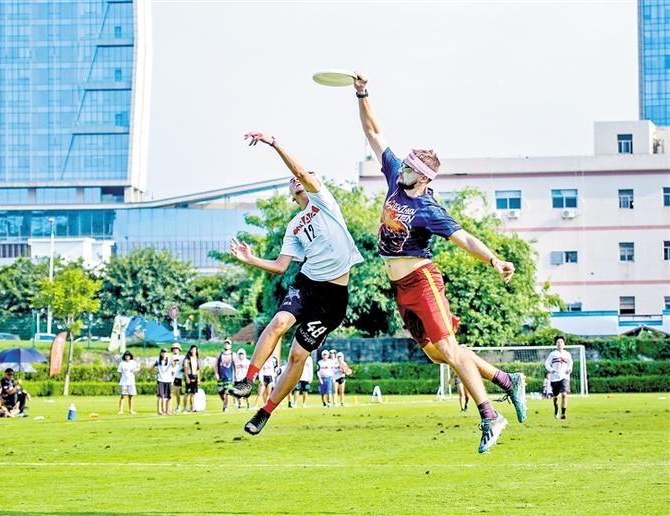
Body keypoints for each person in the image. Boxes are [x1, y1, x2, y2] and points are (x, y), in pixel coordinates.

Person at [351, 73, 526, 453]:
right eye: (404, 165)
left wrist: (494, 259)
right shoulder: (396, 179)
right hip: (400, 287)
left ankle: (490, 415)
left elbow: (465, 238)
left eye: (410, 169)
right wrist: (362, 93)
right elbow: (374, 132)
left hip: (422, 280)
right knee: (436, 354)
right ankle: (506, 380)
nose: (402, 170)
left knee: (450, 349)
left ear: (424, 178)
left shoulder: (429, 209)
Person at [228, 132, 363, 435]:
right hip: (307, 284)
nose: (297, 178)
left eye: (301, 176)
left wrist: (273, 142)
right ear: (291, 195)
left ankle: (265, 412)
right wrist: (251, 259)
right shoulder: (294, 226)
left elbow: (300, 171)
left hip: (333, 300)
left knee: (297, 356)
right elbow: (280, 266)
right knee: (278, 322)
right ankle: (248, 380)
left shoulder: (324, 202)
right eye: (292, 181)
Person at [545, 336, 573, 419]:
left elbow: (570, 363)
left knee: (564, 394)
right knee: (556, 396)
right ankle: (556, 408)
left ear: (564, 344)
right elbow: (546, 363)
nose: (559, 343)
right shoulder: (553, 354)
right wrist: (551, 370)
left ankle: (563, 414)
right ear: (556, 344)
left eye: (561, 342)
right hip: (554, 378)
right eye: (558, 342)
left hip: (565, 377)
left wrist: (569, 369)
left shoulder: (567, 354)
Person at [214, 339, 236, 412]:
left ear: (230, 346)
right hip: (221, 376)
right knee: (220, 391)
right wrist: (216, 373)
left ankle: (226, 406)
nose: (226, 345)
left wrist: (235, 376)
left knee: (227, 392)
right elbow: (216, 365)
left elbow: (235, 366)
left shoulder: (233, 354)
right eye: (225, 344)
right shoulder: (220, 354)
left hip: (229, 376)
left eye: (228, 344)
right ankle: (225, 403)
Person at [117, 351, 139, 415]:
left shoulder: (133, 362)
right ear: (124, 356)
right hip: (124, 383)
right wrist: (121, 379)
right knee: (123, 396)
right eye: (126, 356)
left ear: (130, 356)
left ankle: (131, 410)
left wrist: (136, 370)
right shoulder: (122, 363)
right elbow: (119, 372)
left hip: (131, 382)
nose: (127, 357)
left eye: (128, 356)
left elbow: (138, 368)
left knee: (131, 396)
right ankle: (121, 410)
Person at [153, 348, 174, 415]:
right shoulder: (158, 360)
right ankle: (161, 411)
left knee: (169, 397)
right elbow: (151, 368)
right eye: (163, 352)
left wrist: (171, 359)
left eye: (166, 352)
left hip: (168, 380)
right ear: (161, 353)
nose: (164, 354)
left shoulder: (170, 360)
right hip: (161, 380)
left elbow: (173, 365)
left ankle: (167, 410)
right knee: (160, 396)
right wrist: (156, 372)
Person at [182, 345, 200, 413]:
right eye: (193, 349)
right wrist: (187, 377)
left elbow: (197, 369)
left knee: (193, 393)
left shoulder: (196, 358)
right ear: (190, 350)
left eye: (195, 350)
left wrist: (198, 378)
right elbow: (185, 369)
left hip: (195, 376)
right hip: (189, 376)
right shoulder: (187, 359)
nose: (194, 351)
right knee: (187, 393)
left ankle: (192, 408)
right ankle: (184, 408)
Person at [170, 344, 184, 413]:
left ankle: (178, 406)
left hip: (178, 377)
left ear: (179, 350)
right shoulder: (170, 357)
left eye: (176, 348)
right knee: (169, 393)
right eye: (174, 348)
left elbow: (185, 365)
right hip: (169, 377)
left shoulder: (182, 357)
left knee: (177, 393)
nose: (175, 349)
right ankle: (169, 407)